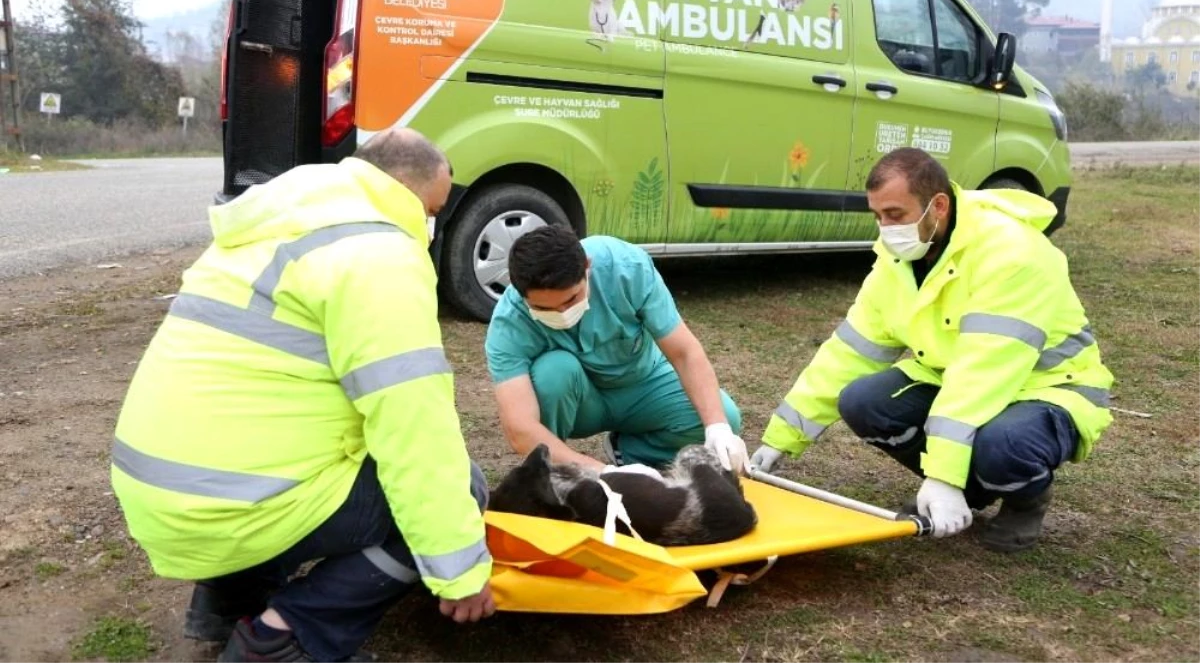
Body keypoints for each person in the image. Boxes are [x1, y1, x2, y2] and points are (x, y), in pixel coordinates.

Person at [109, 128, 495, 663]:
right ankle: (284, 638)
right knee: (462, 489)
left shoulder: (275, 225)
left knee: (300, 449)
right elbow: (415, 432)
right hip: (233, 505)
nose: (430, 227)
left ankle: (228, 604)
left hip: (161, 491)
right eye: (433, 210)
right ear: (408, 194)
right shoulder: (378, 254)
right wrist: (460, 573)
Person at [749, 147, 1114, 551]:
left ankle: (1024, 502)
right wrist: (779, 440)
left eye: (895, 214)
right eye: (877, 216)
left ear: (937, 205)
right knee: (863, 400)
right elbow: (849, 352)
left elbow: (983, 373)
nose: (885, 229)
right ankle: (973, 492)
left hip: (1048, 388)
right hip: (953, 378)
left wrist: (942, 475)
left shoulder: (1013, 253)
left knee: (1003, 443)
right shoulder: (898, 261)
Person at [484, 224, 748, 477]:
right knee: (553, 371)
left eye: (571, 299)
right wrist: (602, 472)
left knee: (725, 415)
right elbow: (519, 427)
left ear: (587, 267)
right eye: (545, 309)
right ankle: (556, 473)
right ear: (519, 293)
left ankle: (631, 452)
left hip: (643, 385)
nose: (562, 314)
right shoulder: (509, 322)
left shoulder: (626, 268)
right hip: (580, 403)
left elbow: (684, 353)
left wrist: (717, 427)